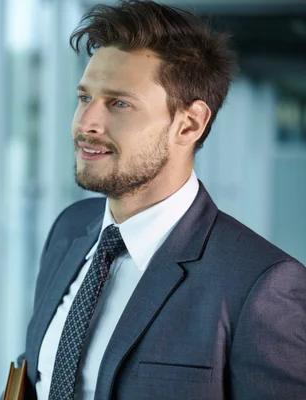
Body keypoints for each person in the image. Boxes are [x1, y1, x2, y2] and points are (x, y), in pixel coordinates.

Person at [16, 1, 306, 399]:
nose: (86, 124)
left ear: (188, 124)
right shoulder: (68, 231)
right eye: (85, 98)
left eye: (119, 103)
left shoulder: (262, 287)